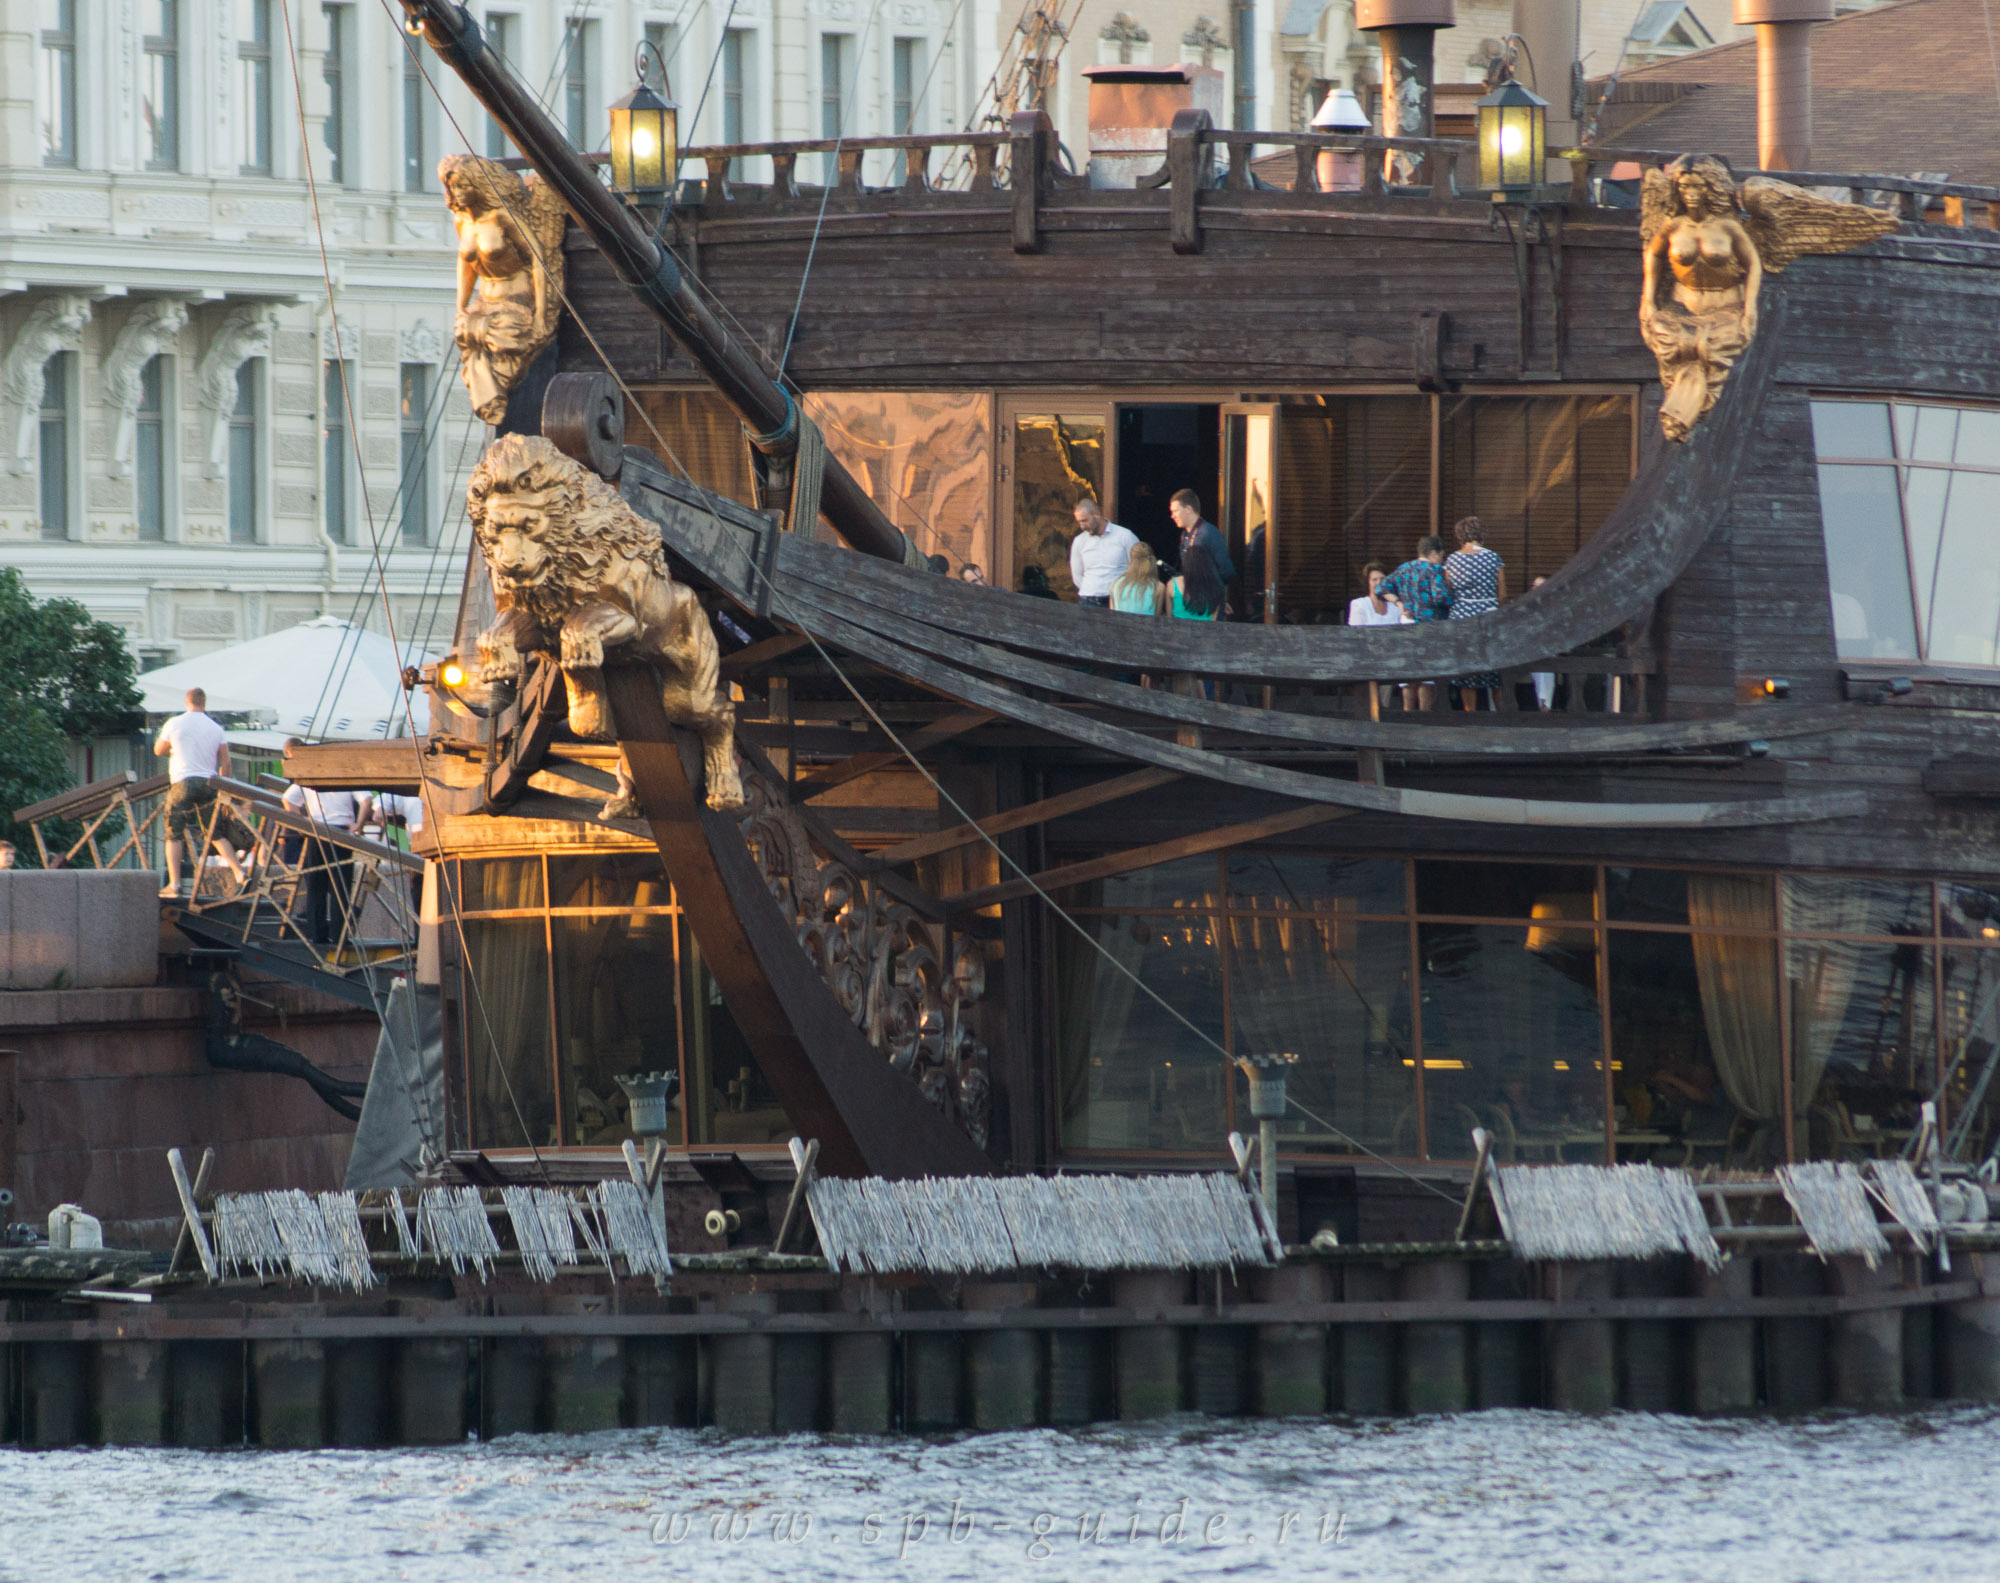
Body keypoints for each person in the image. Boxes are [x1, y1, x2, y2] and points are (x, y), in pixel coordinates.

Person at [154, 688, 247, 899]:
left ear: (187, 702)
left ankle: (175, 884)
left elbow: (158, 750)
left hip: (182, 783)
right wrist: (223, 788)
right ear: (204, 704)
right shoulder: (216, 728)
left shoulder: (174, 723)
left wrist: (176, 749)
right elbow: (226, 762)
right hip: (209, 784)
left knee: (173, 834)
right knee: (214, 834)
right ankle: (239, 873)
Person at [283, 771, 361, 946]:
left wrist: (302, 824)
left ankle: (318, 935)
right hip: (342, 833)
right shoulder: (347, 776)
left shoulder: (310, 774)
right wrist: (359, 825)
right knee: (340, 888)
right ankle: (339, 936)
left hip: (316, 831)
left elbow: (287, 799)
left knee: (316, 886)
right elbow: (367, 799)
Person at [1379, 537, 1453, 710]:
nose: (1442, 559)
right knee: (1427, 677)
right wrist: (1453, 595)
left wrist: (1398, 603)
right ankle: (1424, 716)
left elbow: (1382, 588)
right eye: (1442, 555)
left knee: (1409, 676)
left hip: (1406, 624)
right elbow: (1440, 597)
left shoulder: (1404, 568)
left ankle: (1407, 715)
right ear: (1434, 553)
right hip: (1429, 627)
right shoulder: (1435, 570)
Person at [1444, 516, 1506, 711]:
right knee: (1494, 668)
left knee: (1466, 668)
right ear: (1482, 534)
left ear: (1460, 535)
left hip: (1462, 616)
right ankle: (1499, 712)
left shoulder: (1452, 560)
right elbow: (1502, 594)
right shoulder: (1493, 557)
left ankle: (1469, 713)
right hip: (1488, 614)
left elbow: (1447, 590)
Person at [1347, 560, 1415, 710]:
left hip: (1390, 658)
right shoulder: (1359, 604)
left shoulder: (1394, 607)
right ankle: (1374, 711)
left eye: (1382, 579)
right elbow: (1356, 637)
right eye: (1374, 579)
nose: (1378, 583)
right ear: (1368, 583)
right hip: (1367, 658)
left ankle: (1388, 711)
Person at [1068, 498, 1140, 607]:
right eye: (1079, 522)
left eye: (1084, 520)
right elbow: (1077, 575)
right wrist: (1090, 589)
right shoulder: (1079, 541)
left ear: (1097, 514)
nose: (1082, 526)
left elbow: (1138, 568)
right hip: (1088, 599)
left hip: (1119, 599)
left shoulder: (1125, 536)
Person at [1167, 488, 1235, 586]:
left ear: (1188, 509)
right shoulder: (1185, 535)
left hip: (1208, 598)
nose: (1172, 516)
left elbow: (1227, 571)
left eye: (1175, 511)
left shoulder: (1209, 533)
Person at [1109, 542, 1168, 616]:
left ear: (1130, 558)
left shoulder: (1115, 584)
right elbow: (1156, 618)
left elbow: (1112, 616)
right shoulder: (1158, 587)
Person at [1527, 576, 1557, 709]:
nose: (1538, 589)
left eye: (1542, 586)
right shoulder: (1525, 608)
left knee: (1545, 668)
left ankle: (1544, 705)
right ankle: (1544, 704)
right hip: (1527, 651)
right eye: (1535, 586)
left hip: (1547, 650)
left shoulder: (1555, 609)